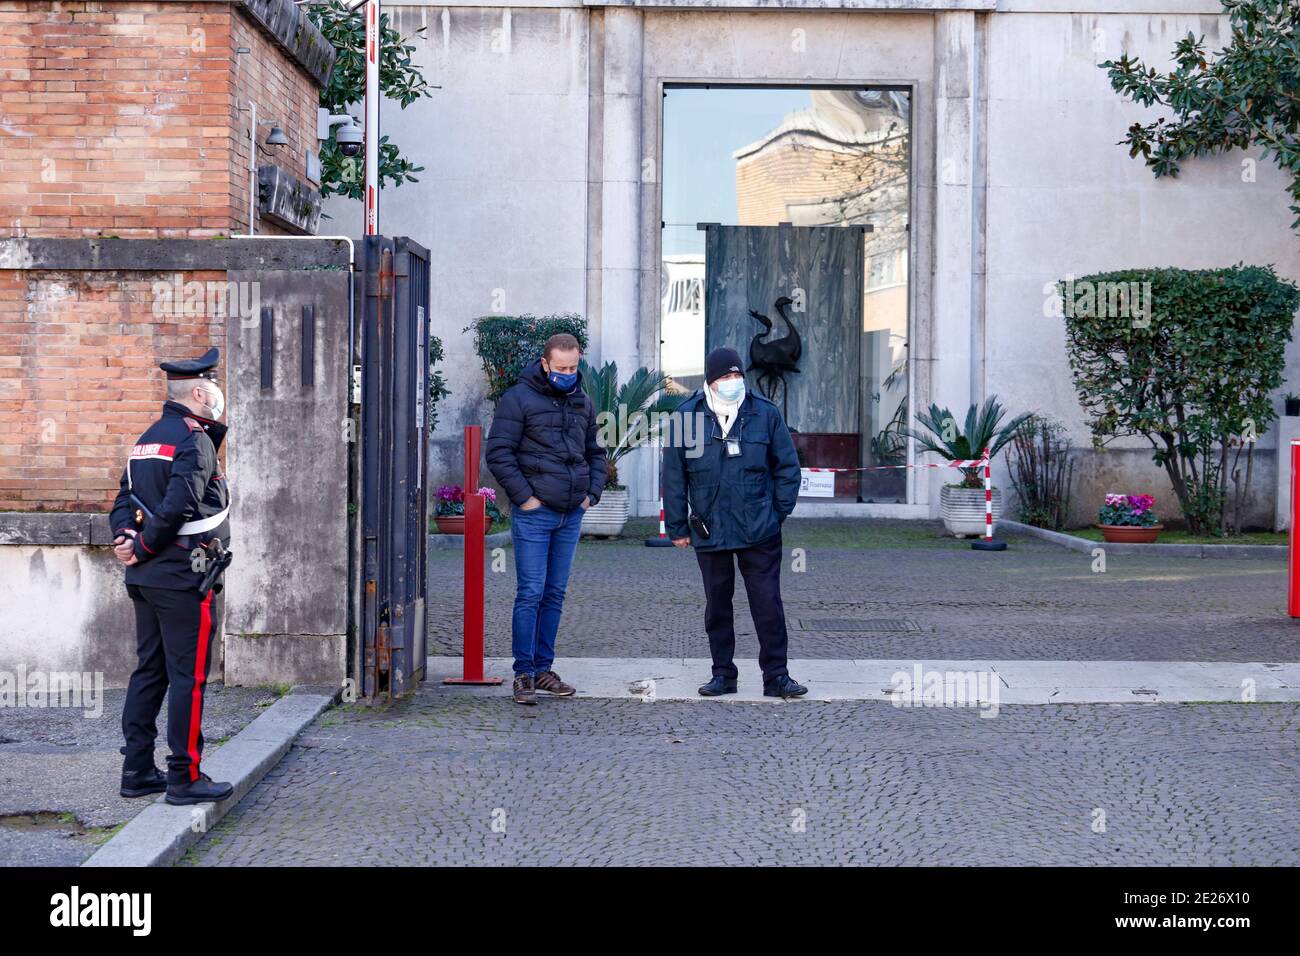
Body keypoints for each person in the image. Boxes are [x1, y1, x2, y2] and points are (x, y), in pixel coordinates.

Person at [109, 347, 235, 805]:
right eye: (215, 388)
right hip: (184, 577)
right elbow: (180, 502)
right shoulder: (193, 438)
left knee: (149, 671)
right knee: (189, 678)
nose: (219, 396)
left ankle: (138, 770)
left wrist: (125, 540)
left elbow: (124, 497)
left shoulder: (147, 437)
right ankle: (185, 777)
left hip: (145, 578)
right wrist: (140, 545)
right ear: (201, 392)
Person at [662, 346, 808, 699]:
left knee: (767, 603)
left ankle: (777, 676)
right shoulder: (686, 417)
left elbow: (787, 469)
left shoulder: (765, 413)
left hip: (759, 529)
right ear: (711, 382)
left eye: (737, 375)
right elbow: (674, 475)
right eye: (725, 377)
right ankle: (722, 674)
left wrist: (776, 515)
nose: (733, 382)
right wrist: (678, 527)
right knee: (717, 604)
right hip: (709, 527)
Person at [486, 333, 607, 705]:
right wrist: (526, 499)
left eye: (573, 368)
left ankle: (543, 670)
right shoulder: (517, 399)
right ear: (545, 364)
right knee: (531, 593)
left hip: (571, 513)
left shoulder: (582, 401)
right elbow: (499, 453)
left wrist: (592, 494)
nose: (568, 374)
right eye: (561, 369)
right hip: (536, 515)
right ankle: (523, 673)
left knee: (554, 594)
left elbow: (595, 452)